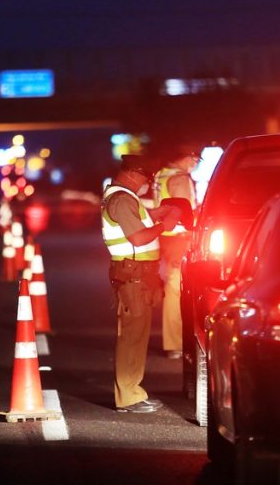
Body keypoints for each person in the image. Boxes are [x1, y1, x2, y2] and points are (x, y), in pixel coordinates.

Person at [102, 154, 180, 413]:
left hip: (139, 276)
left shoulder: (125, 197)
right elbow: (137, 237)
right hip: (132, 276)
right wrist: (163, 225)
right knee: (131, 337)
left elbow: (140, 217)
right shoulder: (122, 198)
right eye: (145, 179)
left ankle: (133, 391)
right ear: (133, 174)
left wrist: (159, 213)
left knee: (137, 335)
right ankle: (128, 395)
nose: (146, 184)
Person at [153, 147, 199, 359]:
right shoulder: (180, 179)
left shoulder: (162, 174)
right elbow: (186, 211)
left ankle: (176, 342)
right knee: (177, 289)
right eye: (194, 158)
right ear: (186, 157)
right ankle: (177, 343)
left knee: (173, 288)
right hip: (179, 239)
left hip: (167, 238)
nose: (195, 163)